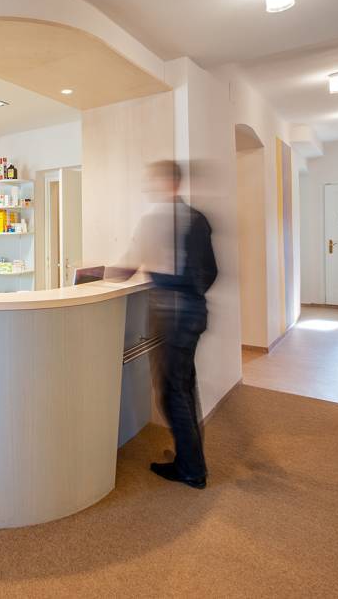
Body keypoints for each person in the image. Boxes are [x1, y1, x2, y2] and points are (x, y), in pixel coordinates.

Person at [111, 160, 217, 489]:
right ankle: (190, 458)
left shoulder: (155, 220)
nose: (148, 188)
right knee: (185, 387)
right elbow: (211, 271)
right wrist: (192, 295)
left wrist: (98, 274)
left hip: (171, 316)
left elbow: (128, 266)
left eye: (153, 181)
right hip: (194, 312)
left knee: (172, 393)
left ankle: (191, 469)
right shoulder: (196, 218)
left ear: (169, 183)